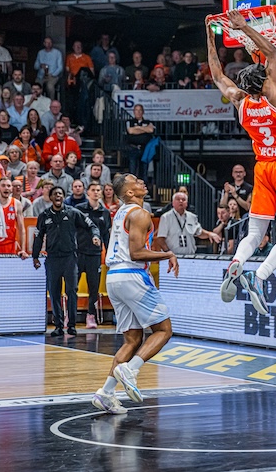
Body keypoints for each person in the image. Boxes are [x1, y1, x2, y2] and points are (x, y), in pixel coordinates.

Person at [207, 10, 276, 317]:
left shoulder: (240, 102)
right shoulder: (273, 96)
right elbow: (271, 53)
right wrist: (244, 27)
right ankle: (259, 276)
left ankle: (236, 263)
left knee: (254, 233)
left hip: (262, 168)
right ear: (263, 82)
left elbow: (217, 75)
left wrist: (209, 35)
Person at [91, 173, 178, 414]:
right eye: (136, 182)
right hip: (132, 275)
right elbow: (137, 253)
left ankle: (106, 393)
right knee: (163, 330)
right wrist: (168, 254)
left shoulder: (120, 213)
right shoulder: (140, 214)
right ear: (129, 192)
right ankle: (131, 369)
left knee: (133, 339)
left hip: (113, 277)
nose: (142, 182)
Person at [32, 186, 101, 337]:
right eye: (55, 194)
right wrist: (35, 256)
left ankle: (71, 325)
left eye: (60, 194)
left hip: (70, 258)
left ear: (63, 197)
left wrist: (95, 236)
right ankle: (58, 326)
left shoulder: (73, 213)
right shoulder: (44, 215)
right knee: (54, 292)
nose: (58, 196)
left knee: (71, 291)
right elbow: (38, 236)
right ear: (51, 198)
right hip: (52, 258)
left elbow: (91, 225)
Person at [76, 182, 112, 329]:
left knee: (94, 288)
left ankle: (91, 316)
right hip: (78, 253)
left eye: (98, 190)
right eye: (93, 190)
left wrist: (109, 254)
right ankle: (69, 315)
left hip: (95, 255)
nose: (96, 192)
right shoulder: (79, 209)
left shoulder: (105, 213)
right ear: (88, 193)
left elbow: (106, 236)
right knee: (73, 286)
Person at [155, 191, 220, 255]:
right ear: (173, 203)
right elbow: (160, 239)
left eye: (183, 200)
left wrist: (209, 234)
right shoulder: (166, 217)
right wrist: (168, 252)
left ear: (186, 203)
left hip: (190, 255)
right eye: (178, 199)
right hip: (172, 256)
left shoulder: (192, 217)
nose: (181, 201)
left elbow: (199, 232)